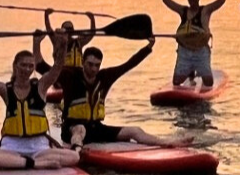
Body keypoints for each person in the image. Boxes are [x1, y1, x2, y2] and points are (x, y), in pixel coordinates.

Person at [0, 33, 81, 170]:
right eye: (23, 65)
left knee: (75, 157)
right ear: (15, 66)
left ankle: (22, 162)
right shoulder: (5, 89)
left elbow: (58, 67)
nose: (27, 69)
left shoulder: (41, 86)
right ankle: (36, 163)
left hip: (39, 145)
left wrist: (63, 44)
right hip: (12, 146)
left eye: (30, 66)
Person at [59, 36, 193, 149]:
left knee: (134, 131)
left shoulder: (105, 77)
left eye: (97, 65)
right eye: (90, 64)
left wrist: (149, 47)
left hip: (96, 128)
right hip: (71, 129)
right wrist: (37, 44)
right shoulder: (70, 75)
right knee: (80, 129)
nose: (94, 68)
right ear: (83, 62)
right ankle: (76, 152)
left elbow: (129, 64)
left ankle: (169, 142)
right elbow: (44, 69)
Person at [162, 0, 227, 88]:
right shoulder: (183, 11)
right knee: (176, 82)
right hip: (185, 52)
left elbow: (221, 0)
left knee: (208, 83)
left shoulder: (206, 11)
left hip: (201, 52)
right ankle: (190, 72)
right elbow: (166, 0)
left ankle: (198, 71)